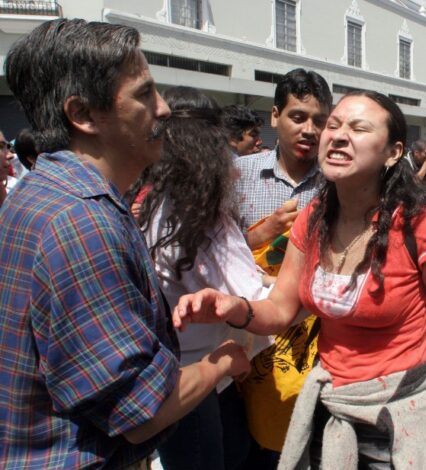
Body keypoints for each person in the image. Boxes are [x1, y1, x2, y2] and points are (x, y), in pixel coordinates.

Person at [174, 90, 426, 468]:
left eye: (359, 128)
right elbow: (281, 310)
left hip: (401, 417)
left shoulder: (423, 225)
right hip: (332, 410)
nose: (338, 135)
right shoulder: (312, 218)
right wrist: (233, 308)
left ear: (393, 153)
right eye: (333, 125)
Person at [0, 19, 249, 469]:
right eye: (144, 94)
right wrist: (223, 361)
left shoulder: (46, 195)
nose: (165, 109)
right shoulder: (83, 221)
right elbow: (140, 409)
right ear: (84, 115)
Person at [132, 86, 274, 470]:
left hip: (191, 374)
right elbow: (254, 300)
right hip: (199, 380)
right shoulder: (201, 216)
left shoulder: (157, 203)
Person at [233, 67, 332, 464]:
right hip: (251, 336)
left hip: (320, 339)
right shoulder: (237, 174)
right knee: (259, 447)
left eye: (319, 121)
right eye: (298, 117)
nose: (309, 129)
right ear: (275, 116)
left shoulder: (338, 182)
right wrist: (258, 236)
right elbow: (209, 254)